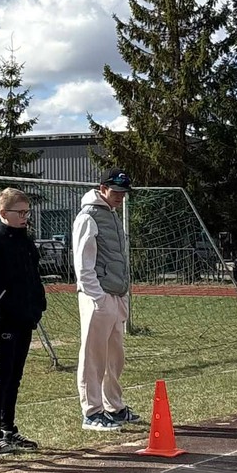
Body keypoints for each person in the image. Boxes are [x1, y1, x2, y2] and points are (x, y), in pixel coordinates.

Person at [71, 170, 143, 432]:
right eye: (116, 192)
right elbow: (83, 263)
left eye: (124, 193)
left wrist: (121, 295)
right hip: (98, 297)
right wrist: (97, 297)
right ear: (103, 188)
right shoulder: (88, 216)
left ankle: (114, 405)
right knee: (93, 356)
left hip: (115, 295)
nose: (120, 197)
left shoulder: (111, 215)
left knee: (115, 356)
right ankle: (92, 412)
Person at [0, 187, 46, 451]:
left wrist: (38, 305)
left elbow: (33, 277)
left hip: (25, 320)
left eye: (27, 212)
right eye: (19, 212)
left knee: (15, 376)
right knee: (1, 374)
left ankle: (8, 428)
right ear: (2, 212)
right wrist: (7, 306)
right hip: (3, 322)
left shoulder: (26, 242)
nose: (24, 217)